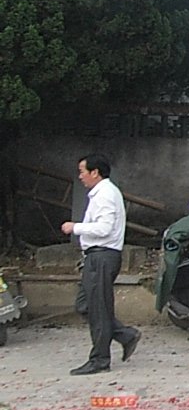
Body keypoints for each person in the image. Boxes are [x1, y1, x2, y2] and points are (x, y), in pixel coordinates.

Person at [61, 154, 141, 375]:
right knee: (86, 305)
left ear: (95, 172)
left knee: (98, 308)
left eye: (82, 171)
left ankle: (100, 359)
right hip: (95, 256)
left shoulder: (105, 194)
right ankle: (124, 335)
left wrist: (75, 227)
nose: (81, 176)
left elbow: (104, 228)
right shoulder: (99, 193)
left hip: (103, 256)